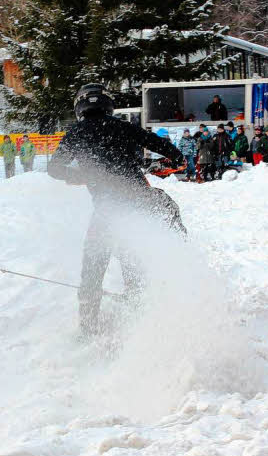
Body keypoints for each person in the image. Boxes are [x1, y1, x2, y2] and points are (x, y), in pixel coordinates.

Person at [47, 84, 184, 336]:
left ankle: (88, 329)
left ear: (79, 107)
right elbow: (169, 151)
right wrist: (167, 161)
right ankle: (141, 318)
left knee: (92, 270)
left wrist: (80, 174)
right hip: (137, 205)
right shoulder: (124, 127)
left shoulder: (76, 133)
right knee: (133, 261)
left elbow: (54, 169)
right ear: (108, 105)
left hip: (106, 212)